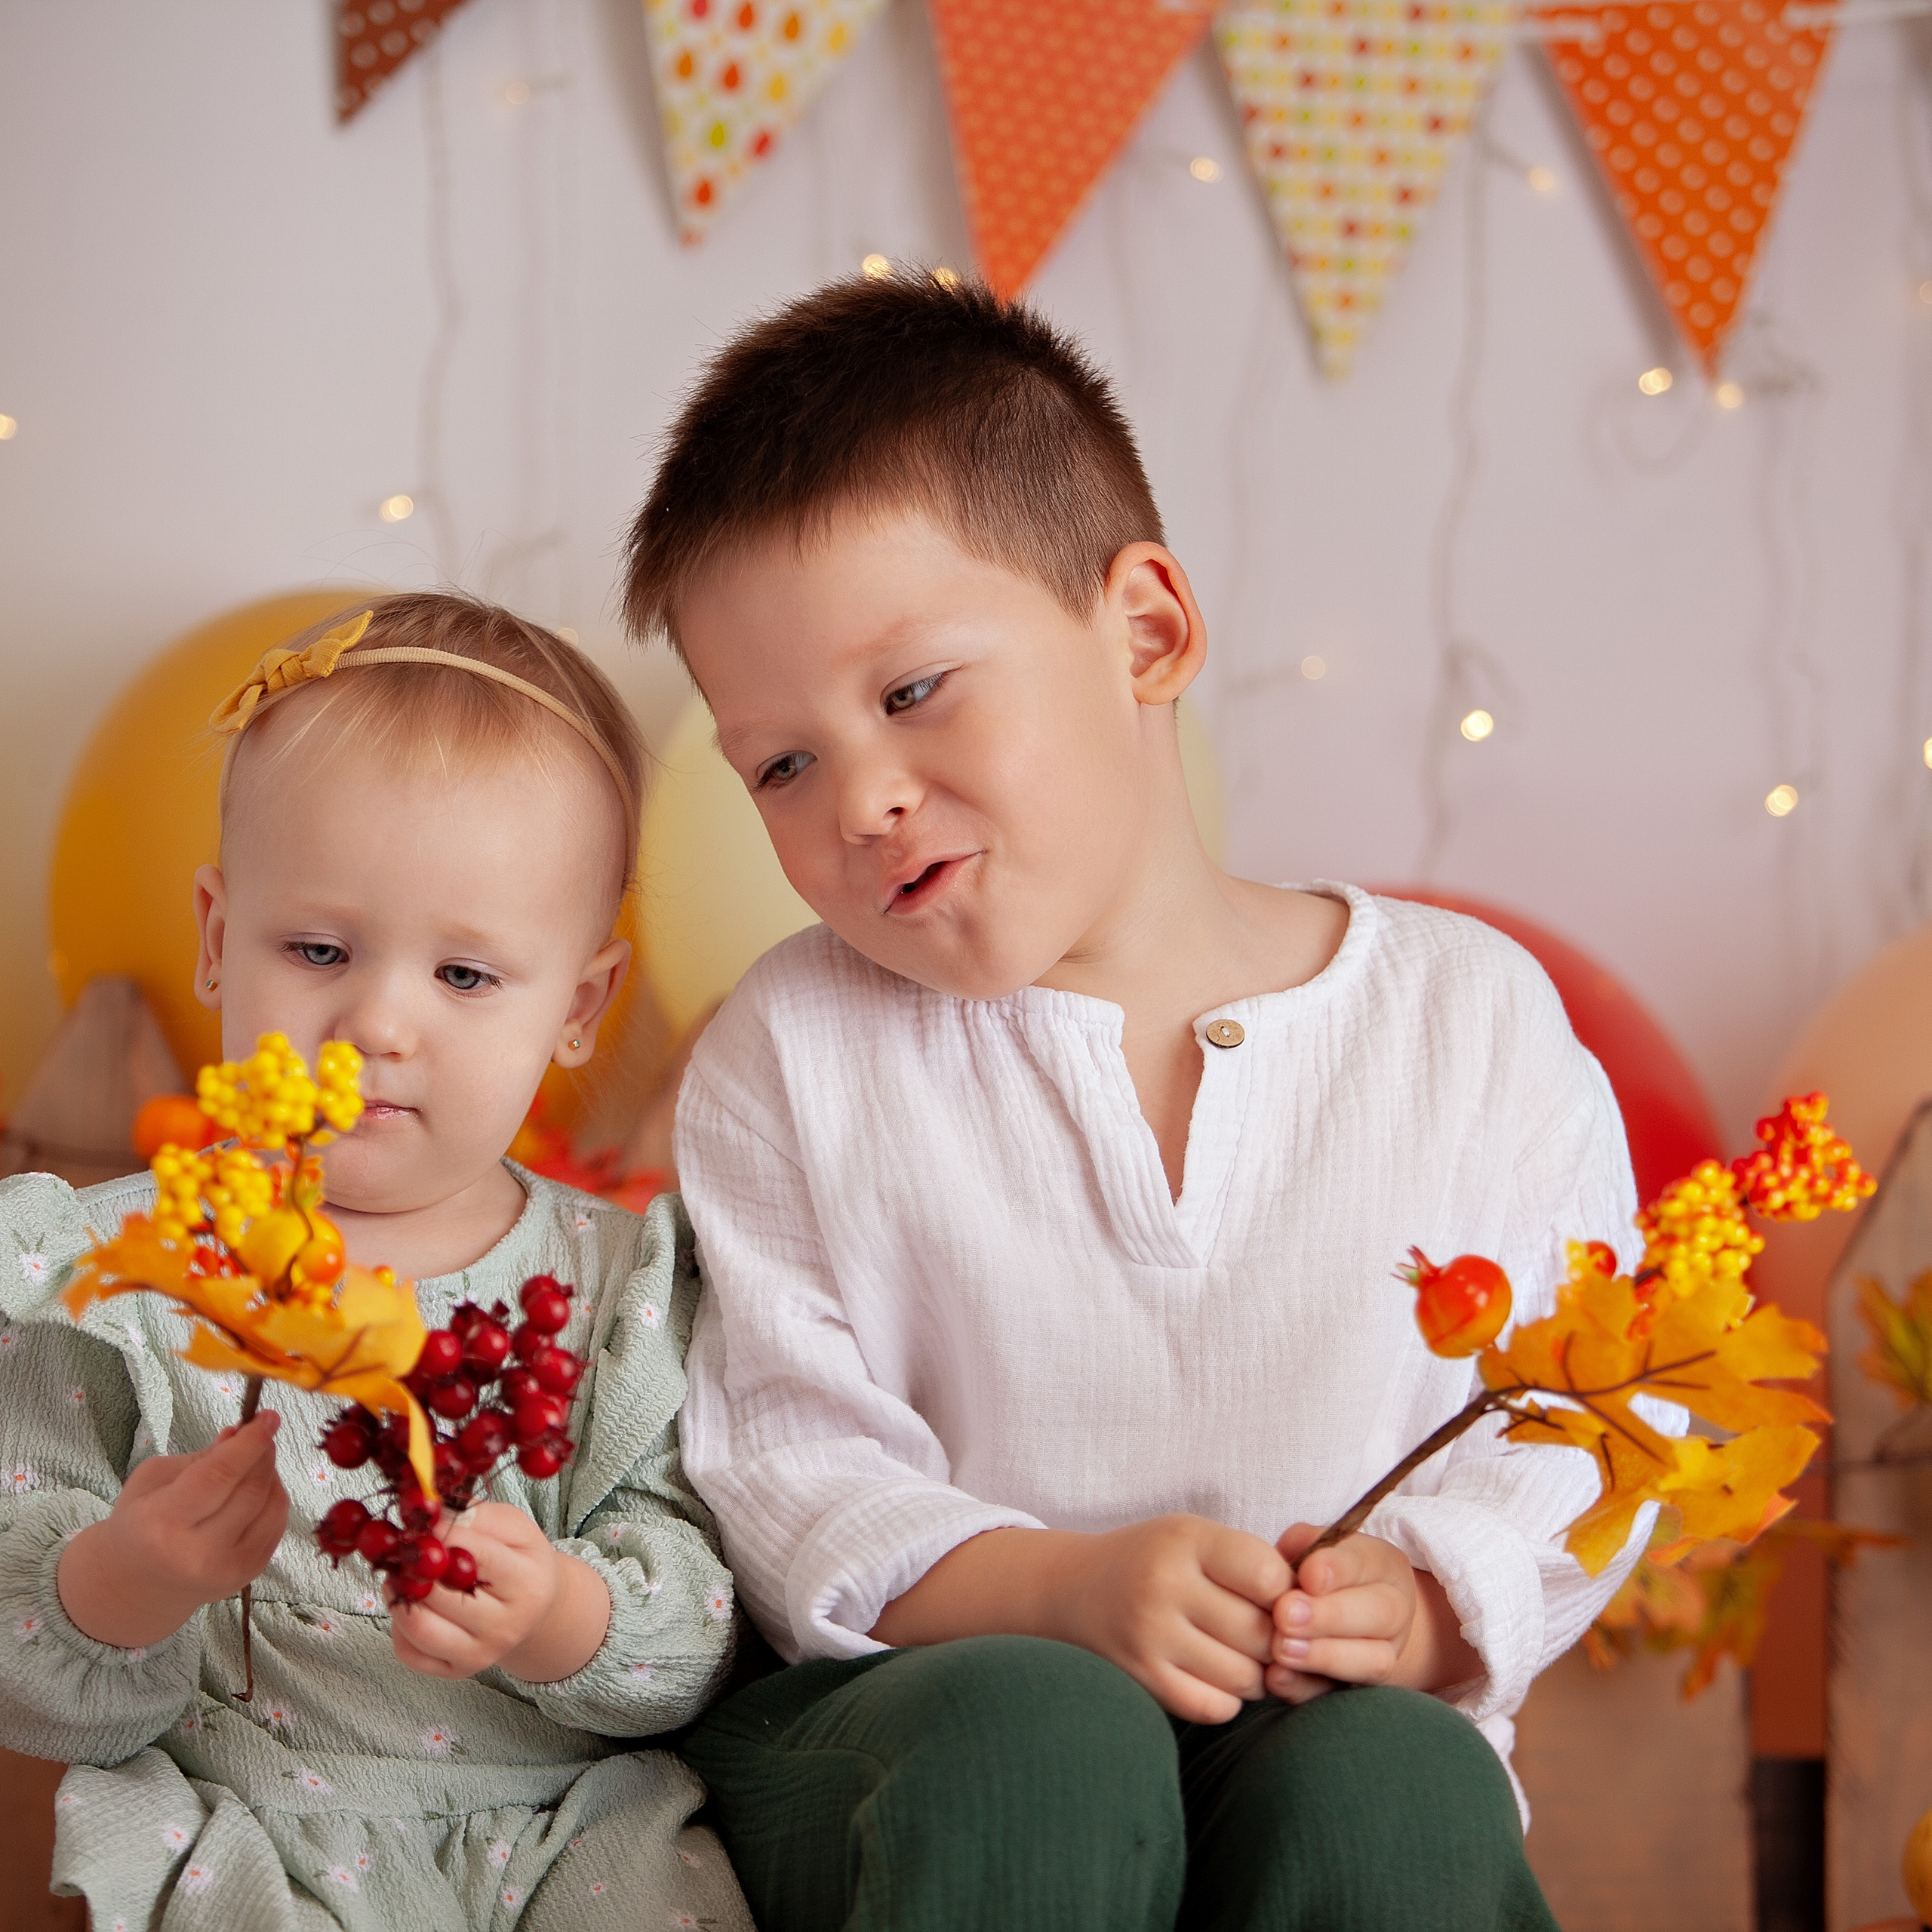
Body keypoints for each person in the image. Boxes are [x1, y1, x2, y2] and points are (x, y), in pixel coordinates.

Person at [619, 275, 1669, 1931]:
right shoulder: (792, 1047)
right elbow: (785, 1459)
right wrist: (1056, 1585)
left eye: (909, 693)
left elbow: (1594, 1409)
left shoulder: (1465, 1019)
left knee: (1394, 1773)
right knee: (1045, 1724)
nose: (864, 799)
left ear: (1147, 632)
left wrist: (1429, 1603)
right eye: (780, 764)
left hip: (1315, 1729)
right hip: (922, 1735)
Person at [0, 595, 753, 1932]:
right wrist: (125, 1576)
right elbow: (23, 1671)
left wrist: (563, 1613)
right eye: (320, 950)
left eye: (466, 975)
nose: (382, 1021)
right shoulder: (126, 1268)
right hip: (243, 1834)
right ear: (220, 938)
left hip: (566, 1834)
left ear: (578, 1006)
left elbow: (693, 1620)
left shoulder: (610, 1284)